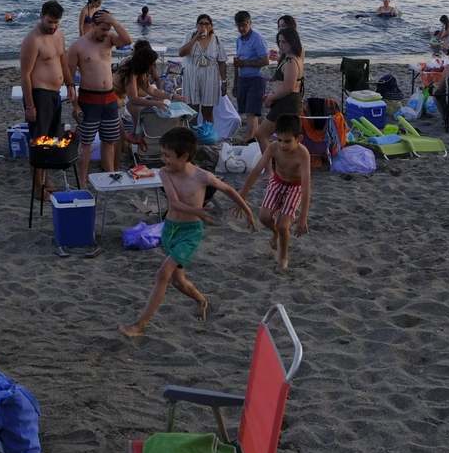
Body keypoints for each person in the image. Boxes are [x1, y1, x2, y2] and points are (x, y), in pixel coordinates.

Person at [118, 127, 254, 337]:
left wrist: (248, 212)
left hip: (190, 233)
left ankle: (140, 325)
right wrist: (197, 210)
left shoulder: (202, 176)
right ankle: (200, 300)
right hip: (170, 229)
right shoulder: (165, 172)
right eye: (163, 154)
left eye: (167, 155)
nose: (163, 160)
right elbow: (174, 202)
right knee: (177, 280)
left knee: (163, 274)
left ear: (184, 156)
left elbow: (228, 189)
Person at [67, 9, 132, 185]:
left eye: (109, 28)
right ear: (93, 25)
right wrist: (75, 106)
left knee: (109, 140)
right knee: (86, 144)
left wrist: (115, 22)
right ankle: (82, 180)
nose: (106, 32)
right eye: (103, 28)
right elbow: (69, 79)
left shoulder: (109, 39)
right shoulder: (77, 46)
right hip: (89, 100)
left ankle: (109, 176)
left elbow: (127, 40)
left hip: (109, 98)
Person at [238, 114, 311, 269]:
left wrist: (303, 215)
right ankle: (275, 233)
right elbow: (257, 170)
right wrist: (242, 194)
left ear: (298, 139)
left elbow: (306, 185)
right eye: (279, 140)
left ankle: (283, 257)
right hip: (277, 182)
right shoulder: (273, 148)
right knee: (264, 217)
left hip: (295, 187)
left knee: (284, 225)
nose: (282, 145)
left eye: (287, 141)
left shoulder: (303, 154)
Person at [20, 1, 73, 197]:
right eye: (50, 22)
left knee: (51, 140)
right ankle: (36, 188)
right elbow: (25, 74)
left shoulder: (59, 35)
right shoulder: (32, 40)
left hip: (55, 94)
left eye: (56, 23)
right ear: (42, 16)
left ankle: (46, 181)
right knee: (39, 143)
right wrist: (30, 105)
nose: (52, 26)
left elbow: (63, 61)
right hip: (39, 94)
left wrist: (69, 84)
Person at [119, 42, 182, 150]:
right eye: (151, 63)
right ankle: (128, 150)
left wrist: (172, 97)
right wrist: (156, 103)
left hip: (122, 101)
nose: (152, 66)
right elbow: (133, 99)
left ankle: (136, 145)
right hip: (114, 103)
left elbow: (152, 90)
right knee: (116, 136)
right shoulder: (130, 73)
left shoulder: (138, 72)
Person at [256, 28, 304, 149]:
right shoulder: (288, 58)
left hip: (287, 102)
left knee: (261, 134)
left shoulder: (291, 62)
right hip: (285, 100)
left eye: (284, 42)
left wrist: (270, 98)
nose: (281, 45)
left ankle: (268, 165)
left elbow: (289, 88)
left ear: (292, 42)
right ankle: (275, 162)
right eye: (280, 42)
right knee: (282, 136)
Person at [177, 14, 228, 125]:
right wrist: (195, 38)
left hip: (210, 74)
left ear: (211, 26)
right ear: (196, 26)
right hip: (192, 74)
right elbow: (181, 53)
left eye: (206, 24)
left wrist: (224, 81)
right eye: (201, 23)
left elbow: (222, 61)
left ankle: (208, 135)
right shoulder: (190, 37)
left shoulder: (216, 40)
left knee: (208, 111)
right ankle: (194, 136)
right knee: (193, 111)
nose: (203, 26)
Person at [231, 11, 268, 145]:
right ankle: (253, 141)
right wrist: (235, 84)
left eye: (244, 25)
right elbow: (237, 62)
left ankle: (248, 142)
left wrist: (246, 63)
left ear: (250, 23)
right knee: (247, 112)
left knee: (252, 112)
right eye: (239, 25)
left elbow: (265, 60)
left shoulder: (257, 38)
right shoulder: (238, 40)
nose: (242, 28)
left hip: (256, 78)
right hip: (242, 78)